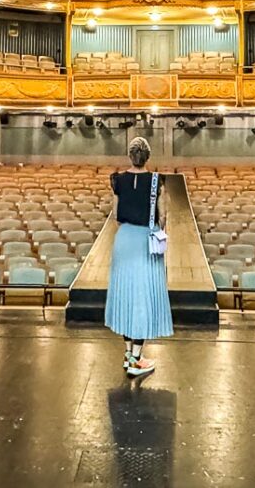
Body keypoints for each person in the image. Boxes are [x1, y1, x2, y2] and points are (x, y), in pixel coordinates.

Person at [104, 136, 173, 377]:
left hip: (124, 239)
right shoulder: (156, 181)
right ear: (148, 157)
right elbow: (162, 216)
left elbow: (115, 214)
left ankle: (127, 354)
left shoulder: (118, 180)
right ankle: (136, 358)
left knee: (126, 293)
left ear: (129, 156)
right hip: (146, 239)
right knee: (142, 297)